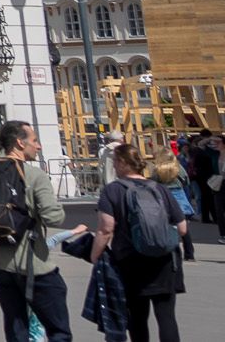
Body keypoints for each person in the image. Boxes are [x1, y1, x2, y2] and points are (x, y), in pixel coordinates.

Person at [0, 117, 75, 342]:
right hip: (34, 264)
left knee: (16, 330)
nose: (38, 146)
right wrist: (28, 215)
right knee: (58, 330)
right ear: (20, 143)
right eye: (35, 140)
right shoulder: (34, 175)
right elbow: (54, 217)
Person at [90, 146, 187, 342]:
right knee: (167, 317)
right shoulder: (159, 188)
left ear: (123, 163)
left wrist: (95, 255)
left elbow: (106, 229)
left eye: (115, 162)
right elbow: (182, 228)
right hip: (165, 261)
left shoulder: (113, 190)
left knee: (137, 318)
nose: (114, 166)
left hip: (131, 261)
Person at [150, 153, 197, 262]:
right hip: (179, 195)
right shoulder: (178, 167)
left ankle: (169, 251)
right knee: (183, 226)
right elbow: (186, 180)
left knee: (166, 225)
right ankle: (189, 253)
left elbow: (153, 182)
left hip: (164, 194)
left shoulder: (158, 169)